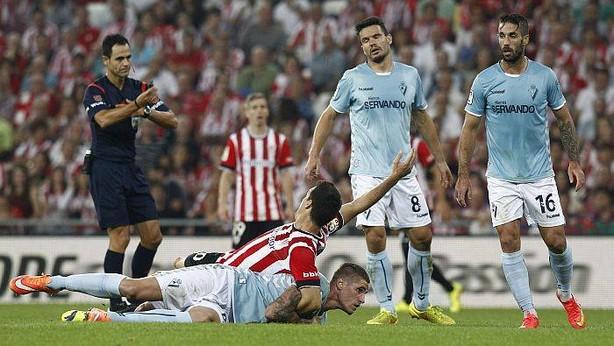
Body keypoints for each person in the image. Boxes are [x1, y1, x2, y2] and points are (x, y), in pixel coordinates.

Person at [305, 16, 454, 325]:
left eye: (375, 37)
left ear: (388, 39)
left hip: (403, 172)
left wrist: (440, 160)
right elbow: (330, 115)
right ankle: (387, 309)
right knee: (375, 236)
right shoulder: (353, 78)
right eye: (364, 40)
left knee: (422, 235)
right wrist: (313, 154)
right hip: (366, 172)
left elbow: (423, 118)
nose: (370, 43)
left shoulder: (410, 76)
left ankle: (421, 304)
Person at [455, 14, 586, 329]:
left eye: (513, 36)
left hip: (539, 175)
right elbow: (469, 130)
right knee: (508, 238)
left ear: (526, 39)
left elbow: (565, 120)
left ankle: (566, 295)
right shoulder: (485, 80)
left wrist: (574, 160)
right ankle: (529, 313)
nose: (506, 42)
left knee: (555, 240)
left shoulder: (545, 77)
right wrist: (462, 174)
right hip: (501, 178)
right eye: (501, 35)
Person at [174, 150, 417, 315]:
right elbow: (356, 205)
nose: (302, 198)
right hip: (223, 258)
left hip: (226, 277)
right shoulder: (323, 228)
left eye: (306, 196)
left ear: (308, 204)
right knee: (177, 266)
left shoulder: (301, 245)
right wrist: (393, 178)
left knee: (167, 290)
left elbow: (308, 295)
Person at [82, 33, 177, 311]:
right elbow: (103, 119)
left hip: (130, 167)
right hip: (104, 167)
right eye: (119, 58)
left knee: (152, 235)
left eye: (128, 57)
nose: (125, 63)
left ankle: (136, 292)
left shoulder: (141, 87)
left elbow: (172, 120)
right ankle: (114, 301)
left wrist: (147, 112)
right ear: (106, 61)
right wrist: (137, 106)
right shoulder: (95, 91)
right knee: (120, 236)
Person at [9, 262, 369, 324]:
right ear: (340, 283)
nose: (362, 299)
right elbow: (274, 313)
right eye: (360, 290)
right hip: (222, 282)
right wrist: (302, 325)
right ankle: (55, 281)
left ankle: (106, 318)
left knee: (199, 321)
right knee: (135, 287)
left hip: (227, 311)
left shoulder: (320, 316)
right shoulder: (314, 285)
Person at [218, 92, 294, 249]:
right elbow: (227, 175)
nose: (259, 111)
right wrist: (222, 203)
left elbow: (286, 175)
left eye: (262, 107)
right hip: (244, 213)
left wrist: (290, 205)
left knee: (276, 259)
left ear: (267, 111)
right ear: (247, 113)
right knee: (238, 259)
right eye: (254, 108)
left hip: (273, 212)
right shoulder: (236, 141)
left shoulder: (279, 141)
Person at [396, 138, 463, 314]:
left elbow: (434, 168)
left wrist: (441, 200)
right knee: (410, 249)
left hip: (420, 201)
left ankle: (407, 297)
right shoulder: (393, 141)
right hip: (403, 200)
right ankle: (450, 288)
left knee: (412, 247)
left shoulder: (417, 144)